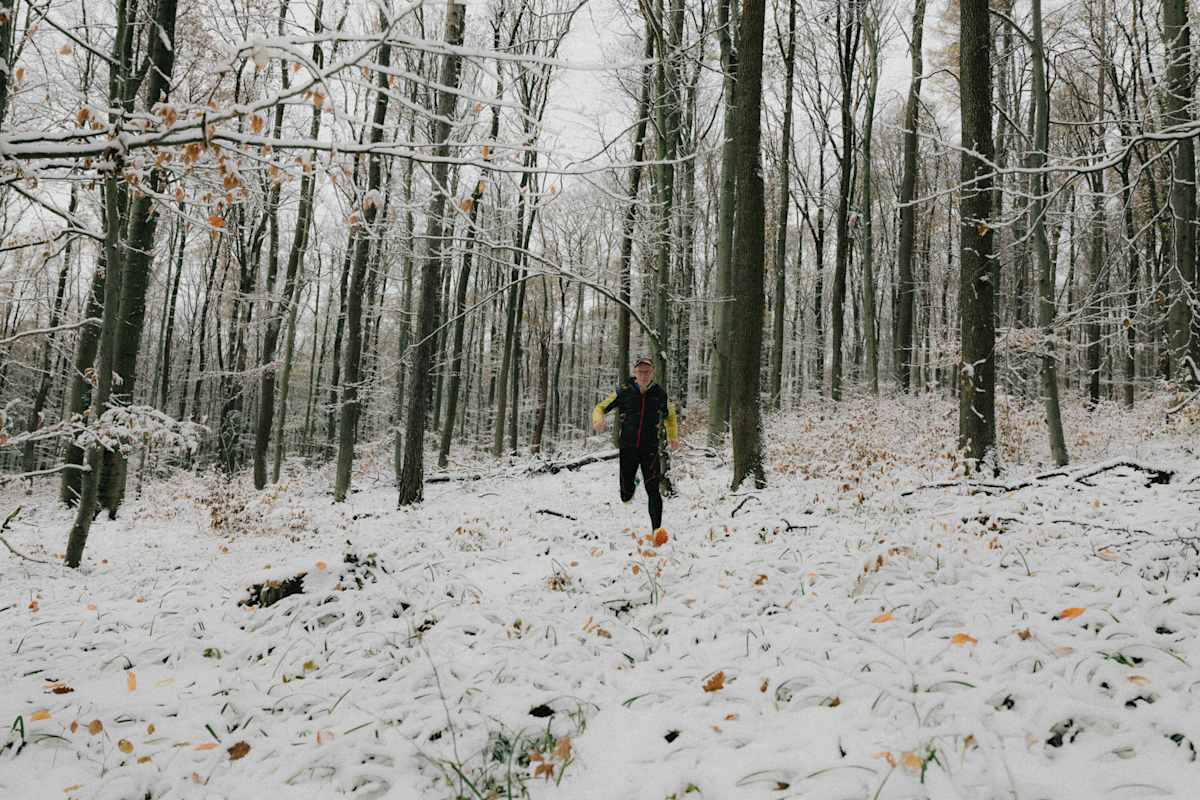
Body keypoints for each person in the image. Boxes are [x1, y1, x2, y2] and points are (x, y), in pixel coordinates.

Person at [592, 356, 680, 533]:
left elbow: (670, 417)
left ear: (652, 373)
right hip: (628, 447)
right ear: (635, 373)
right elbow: (600, 407)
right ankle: (631, 485)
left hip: (650, 448)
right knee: (626, 494)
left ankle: (657, 531)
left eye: (647, 371)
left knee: (653, 489)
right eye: (640, 371)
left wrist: (673, 437)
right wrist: (598, 419)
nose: (644, 375)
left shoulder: (660, 394)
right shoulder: (623, 391)